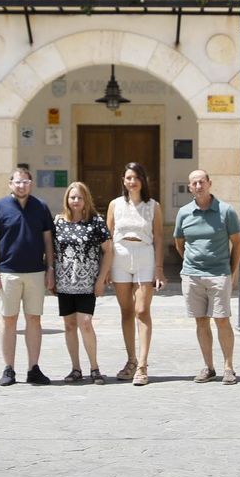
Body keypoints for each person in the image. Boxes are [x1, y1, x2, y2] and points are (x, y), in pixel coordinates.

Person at [0, 165, 56, 386]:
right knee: (9, 320)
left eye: (25, 181)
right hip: (7, 273)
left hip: (35, 272)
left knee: (34, 319)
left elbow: (47, 241)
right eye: (17, 181)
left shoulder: (40, 207)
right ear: (10, 184)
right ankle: (9, 369)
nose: (21, 185)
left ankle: (34, 368)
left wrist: (50, 268)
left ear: (30, 184)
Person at [173, 167, 240, 385]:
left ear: (210, 183)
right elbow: (179, 243)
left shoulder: (226, 211)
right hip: (192, 275)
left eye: (202, 182)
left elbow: (237, 242)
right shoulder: (184, 212)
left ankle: (228, 367)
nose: (198, 186)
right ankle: (208, 367)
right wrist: (190, 262)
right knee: (201, 321)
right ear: (190, 186)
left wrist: (232, 270)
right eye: (194, 183)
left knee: (222, 319)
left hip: (218, 274)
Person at [105, 162, 164, 386]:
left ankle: (143, 364)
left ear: (143, 180)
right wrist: (107, 268)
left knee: (142, 310)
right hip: (120, 255)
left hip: (144, 255)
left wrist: (159, 269)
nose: (132, 181)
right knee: (126, 311)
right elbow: (108, 237)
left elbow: (159, 237)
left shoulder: (153, 206)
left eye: (136, 177)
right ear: (123, 180)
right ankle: (131, 360)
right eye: (128, 177)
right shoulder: (115, 205)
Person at [52, 181, 112, 385]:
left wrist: (102, 279)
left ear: (86, 199)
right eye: (72, 197)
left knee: (85, 323)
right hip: (65, 282)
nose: (75, 201)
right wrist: (50, 274)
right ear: (67, 200)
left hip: (87, 282)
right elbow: (51, 250)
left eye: (79, 197)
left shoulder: (96, 221)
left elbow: (108, 251)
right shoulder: (58, 222)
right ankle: (75, 368)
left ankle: (94, 368)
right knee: (69, 325)